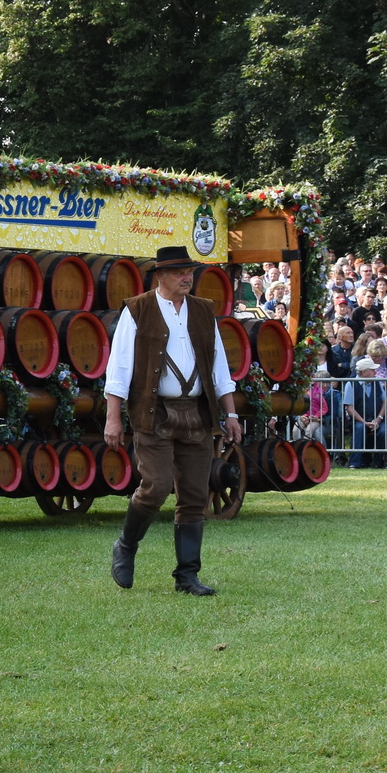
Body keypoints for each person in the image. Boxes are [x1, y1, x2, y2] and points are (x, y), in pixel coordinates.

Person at [103, 246, 242, 596]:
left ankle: (187, 576)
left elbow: (219, 367)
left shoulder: (203, 310)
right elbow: (119, 368)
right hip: (154, 413)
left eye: (189, 272)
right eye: (179, 272)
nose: (187, 277)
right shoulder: (137, 310)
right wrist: (113, 418)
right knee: (156, 486)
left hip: (197, 414)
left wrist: (231, 413)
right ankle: (126, 546)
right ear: (160, 276)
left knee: (195, 494)